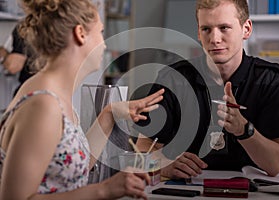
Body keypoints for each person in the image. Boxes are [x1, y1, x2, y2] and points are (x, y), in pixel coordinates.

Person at [0, 0, 164, 199]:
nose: (104, 44)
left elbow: (72, 168)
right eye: (101, 32)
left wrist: (110, 113)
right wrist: (104, 189)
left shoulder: (54, 94)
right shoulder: (44, 105)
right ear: (81, 34)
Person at [136, 0, 279, 179]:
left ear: (246, 29)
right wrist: (162, 165)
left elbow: (276, 165)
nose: (214, 39)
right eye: (206, 29)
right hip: (185, 189)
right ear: (198, 32)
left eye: (224, 28)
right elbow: (141, 148)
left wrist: (243, 129)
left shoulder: (271, 79)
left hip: (251, 192)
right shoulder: (173, 78)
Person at [0, 22, 35, 96]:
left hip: (33, 89)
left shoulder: (25, 28)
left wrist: (3, 56)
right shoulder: (61, 26)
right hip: (60, 90)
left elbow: (14, 66)